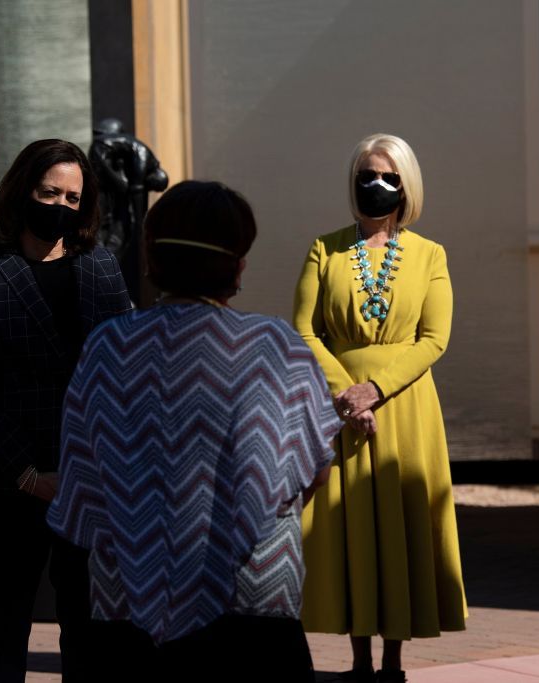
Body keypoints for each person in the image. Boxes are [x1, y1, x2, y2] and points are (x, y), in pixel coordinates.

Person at [46, 180, 341, 681]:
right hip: (253, 601)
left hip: (125, 605)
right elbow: (311, 470)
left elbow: (81, 479)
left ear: (152, 257)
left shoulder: (108, 346)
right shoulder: (276, 345)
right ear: (237, 265)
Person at [0, 139, 132, 681]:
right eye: (50, 192)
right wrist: (28, 473)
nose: (61, 206)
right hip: (7, 482)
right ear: (23, 190)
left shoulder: (100, 267)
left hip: (89, 480)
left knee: (89, 630)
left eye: (73, 198)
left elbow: (124, 371)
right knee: (4, 627)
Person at [293, 133, 467, 682]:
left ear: (406, 185)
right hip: (338, 407)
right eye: (367, 174)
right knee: (350, 530)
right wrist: (347, 392)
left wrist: (375, 390)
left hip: (406, 410)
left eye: (389, 176)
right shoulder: (325, 248)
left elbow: (433, 339)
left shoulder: (430, 255)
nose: (377, 185)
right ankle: (360, 659)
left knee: (400, 526)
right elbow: (304, 330)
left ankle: (393, 662)